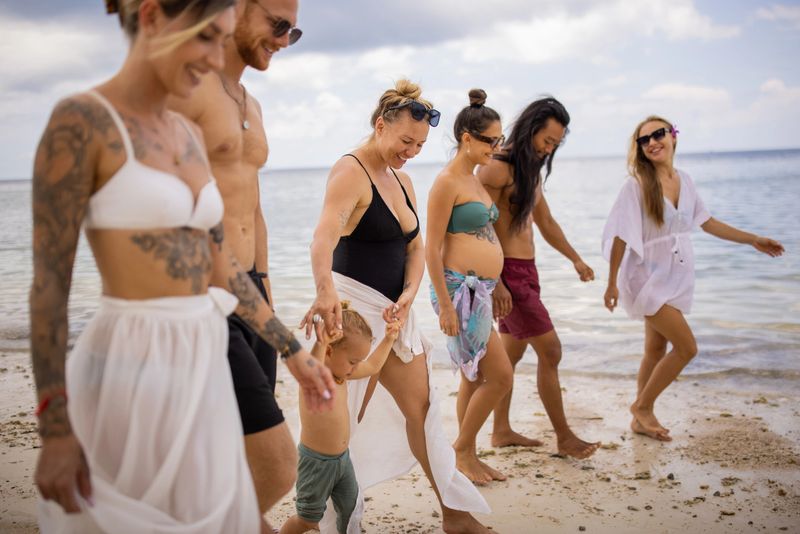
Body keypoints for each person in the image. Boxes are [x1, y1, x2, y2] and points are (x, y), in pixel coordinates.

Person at [29, 1, 333, 532]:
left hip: (204, 338)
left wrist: (294, 351)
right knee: (201, 497)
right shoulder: (81, 121)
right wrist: (54, 427)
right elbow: (49, 287)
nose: (216, 58)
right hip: (136, 352)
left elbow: (221, 264)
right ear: (151, 17)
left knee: (222, 500)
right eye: (206, 39)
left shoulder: (186, 135)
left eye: (221, 40)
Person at [303, 80, 492, 533]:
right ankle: (330, 519)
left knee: (420, 409)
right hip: (353, 314)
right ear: (379, 124)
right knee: (342, 421)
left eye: (421, 144)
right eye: (405, 140)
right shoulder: (351, 171)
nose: (411, 151)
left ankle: (454, 514)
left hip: (393, 313)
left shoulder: (401, 179)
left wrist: (410, 294)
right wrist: (325, 290)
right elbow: (323, 238)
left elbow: (414, 247)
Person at [166, 0, 305, 520]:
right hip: (202, 292)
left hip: (249, 292)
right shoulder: (188, 89)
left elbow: (253, 206)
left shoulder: (251, 102)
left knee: (235, 445)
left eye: (293, 32)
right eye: (276, 24)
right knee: (276, 465)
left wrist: (265, 286)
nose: (283, 38)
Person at [602, 115, 784, 441]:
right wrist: (612, 282)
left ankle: (641, 419)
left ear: (673, 136)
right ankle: (642, 407)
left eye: (658, 134)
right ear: (640, 148)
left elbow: (708, 222)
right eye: (644, 139)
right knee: (687, 348)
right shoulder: (637, 185)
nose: (653, 142)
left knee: (655, 349)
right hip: (645, 276)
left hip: (677, 273)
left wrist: (753, 239)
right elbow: (619, 235)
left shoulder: (685, 180)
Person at [478, 97, 600, 459]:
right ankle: (564, 437)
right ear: (530, 129)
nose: (550, 149)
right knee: (551, 350)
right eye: (547, 140)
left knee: (509, 357)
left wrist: (575, 259)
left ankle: (501, 431)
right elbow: (477, 226)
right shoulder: (497, 168)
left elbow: (545, 223)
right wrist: (495, 281)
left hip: (527, 272)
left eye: (556, 145)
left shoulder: (529, 169)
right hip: (507, 274)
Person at [427, 89, 513, 484]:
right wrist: (445, 306)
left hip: (480, 290)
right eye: (490, 140)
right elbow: (431, 248)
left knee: (473, 375)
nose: (496, 148)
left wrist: (497, 285)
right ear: (466, 138)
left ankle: (469, 457)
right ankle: (461, 449)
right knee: (500, 377)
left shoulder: (476, 180)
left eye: (499, 140)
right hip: (458, 290)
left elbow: (485, 233)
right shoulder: (446, 182)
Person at [281, 303, 402, 534]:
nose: (355, 367)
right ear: (329, 351)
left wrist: (389, 338)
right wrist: (322, 340)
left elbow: (373, 365)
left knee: (350, 506)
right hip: (315, 464)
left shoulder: (342, 376)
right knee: (307, 520)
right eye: (352, 361)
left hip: (342, 461)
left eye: (357, 362)